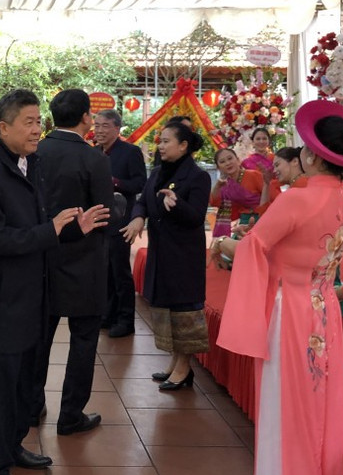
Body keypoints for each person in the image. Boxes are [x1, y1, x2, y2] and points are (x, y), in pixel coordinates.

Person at [213, 99, 343, 475]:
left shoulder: (298, 198)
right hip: (324, 306)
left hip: (290, 309)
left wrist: (222, 245)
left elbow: (253, 247)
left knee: (286, 401)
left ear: (312, 156)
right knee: (320, 399)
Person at [0, 89, 108, 475]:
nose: (36, 129)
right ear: (3, 127)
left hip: (28, 300)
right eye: (27, 122)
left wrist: (73, 230)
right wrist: (50, 231)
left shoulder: (28, 164)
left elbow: (43, 230)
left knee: (19, 390)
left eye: (38, 120)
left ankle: (12, 448)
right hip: (1, 306)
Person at [31, 89, 114, 436]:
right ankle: (70, 414)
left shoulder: (35, 151)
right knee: (83, 341)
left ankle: (32, 405)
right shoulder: (93, 158)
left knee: (38, 339)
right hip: (85, 261)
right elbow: (104, 214)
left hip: (42, 257)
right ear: (85, 118)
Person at [121, 122, 211, 390]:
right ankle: (175, 362)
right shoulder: (158, 172)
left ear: (183, 146)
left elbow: (196, 217)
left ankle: (184, 368)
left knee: (184, 310)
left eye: (166, 141)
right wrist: (138, 218)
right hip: (161, 252)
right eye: (160, 141)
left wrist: (178, 204)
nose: (160, 146)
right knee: (167, 309)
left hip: (183, 255)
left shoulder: (198, 177)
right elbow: (142, 201)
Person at [94, 108, 147, 337]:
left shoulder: (130, 152)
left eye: (105, 126)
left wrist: (114, 182)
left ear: (117, 128)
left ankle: (126, 321)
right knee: (104, 271)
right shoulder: (95, 153)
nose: (99, 130)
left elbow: (139, 184)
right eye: (96, 125)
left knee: (120, 272)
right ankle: (107, 315)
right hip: (99, 221)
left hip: (122, 221)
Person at [209, 148, 263, 237]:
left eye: (230, 158)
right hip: (244, 222)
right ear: (218, 168)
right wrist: (217, 186)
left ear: (238, 160)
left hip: (263, 218)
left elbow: (271, 197)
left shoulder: (254, 175)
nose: (227, 163)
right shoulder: (224, 185)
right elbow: (215, 203)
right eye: (222, 162)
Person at [254, 146, 308, 216]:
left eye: (277, 165)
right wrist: (266, 184)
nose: (274, 171)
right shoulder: (303, 183)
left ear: (295, 161)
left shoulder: (298, 189)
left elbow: (267, 217)